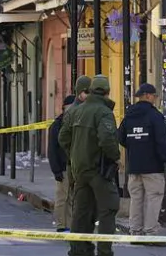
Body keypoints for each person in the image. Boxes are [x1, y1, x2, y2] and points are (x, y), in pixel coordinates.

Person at [59, 75, 120, 256]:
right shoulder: (103, 112)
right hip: (98, 170)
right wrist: (115, 157)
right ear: (107, 92)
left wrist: (75, 154)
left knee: (81, 212)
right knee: (108, 208)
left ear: (91, 91)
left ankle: (79, 250)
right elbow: (107, 139)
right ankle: (104, 251)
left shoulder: (76, 111)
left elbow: (63, 137)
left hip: (79, 170)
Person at [117, 83, 166, 245]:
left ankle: (135, 232)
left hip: (134, 166)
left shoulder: (129, 115)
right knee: (154, 198)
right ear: (148, 96)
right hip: (152, 167)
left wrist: (135, 146)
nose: (155, 99)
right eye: (155, 96)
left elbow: (120, 137)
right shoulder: (155, 116)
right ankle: (150, 233)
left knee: (136, 199)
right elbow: (162, 142)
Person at [50, 94, 76, 232]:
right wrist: (56, 170)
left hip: (73, 166)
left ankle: (69, 224)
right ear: (65, 107)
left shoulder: (73, 122)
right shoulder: (57, 125)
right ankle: (60, 224)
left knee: (71, 198)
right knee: (62, 197)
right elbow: (52, 149)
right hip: (63, 166)